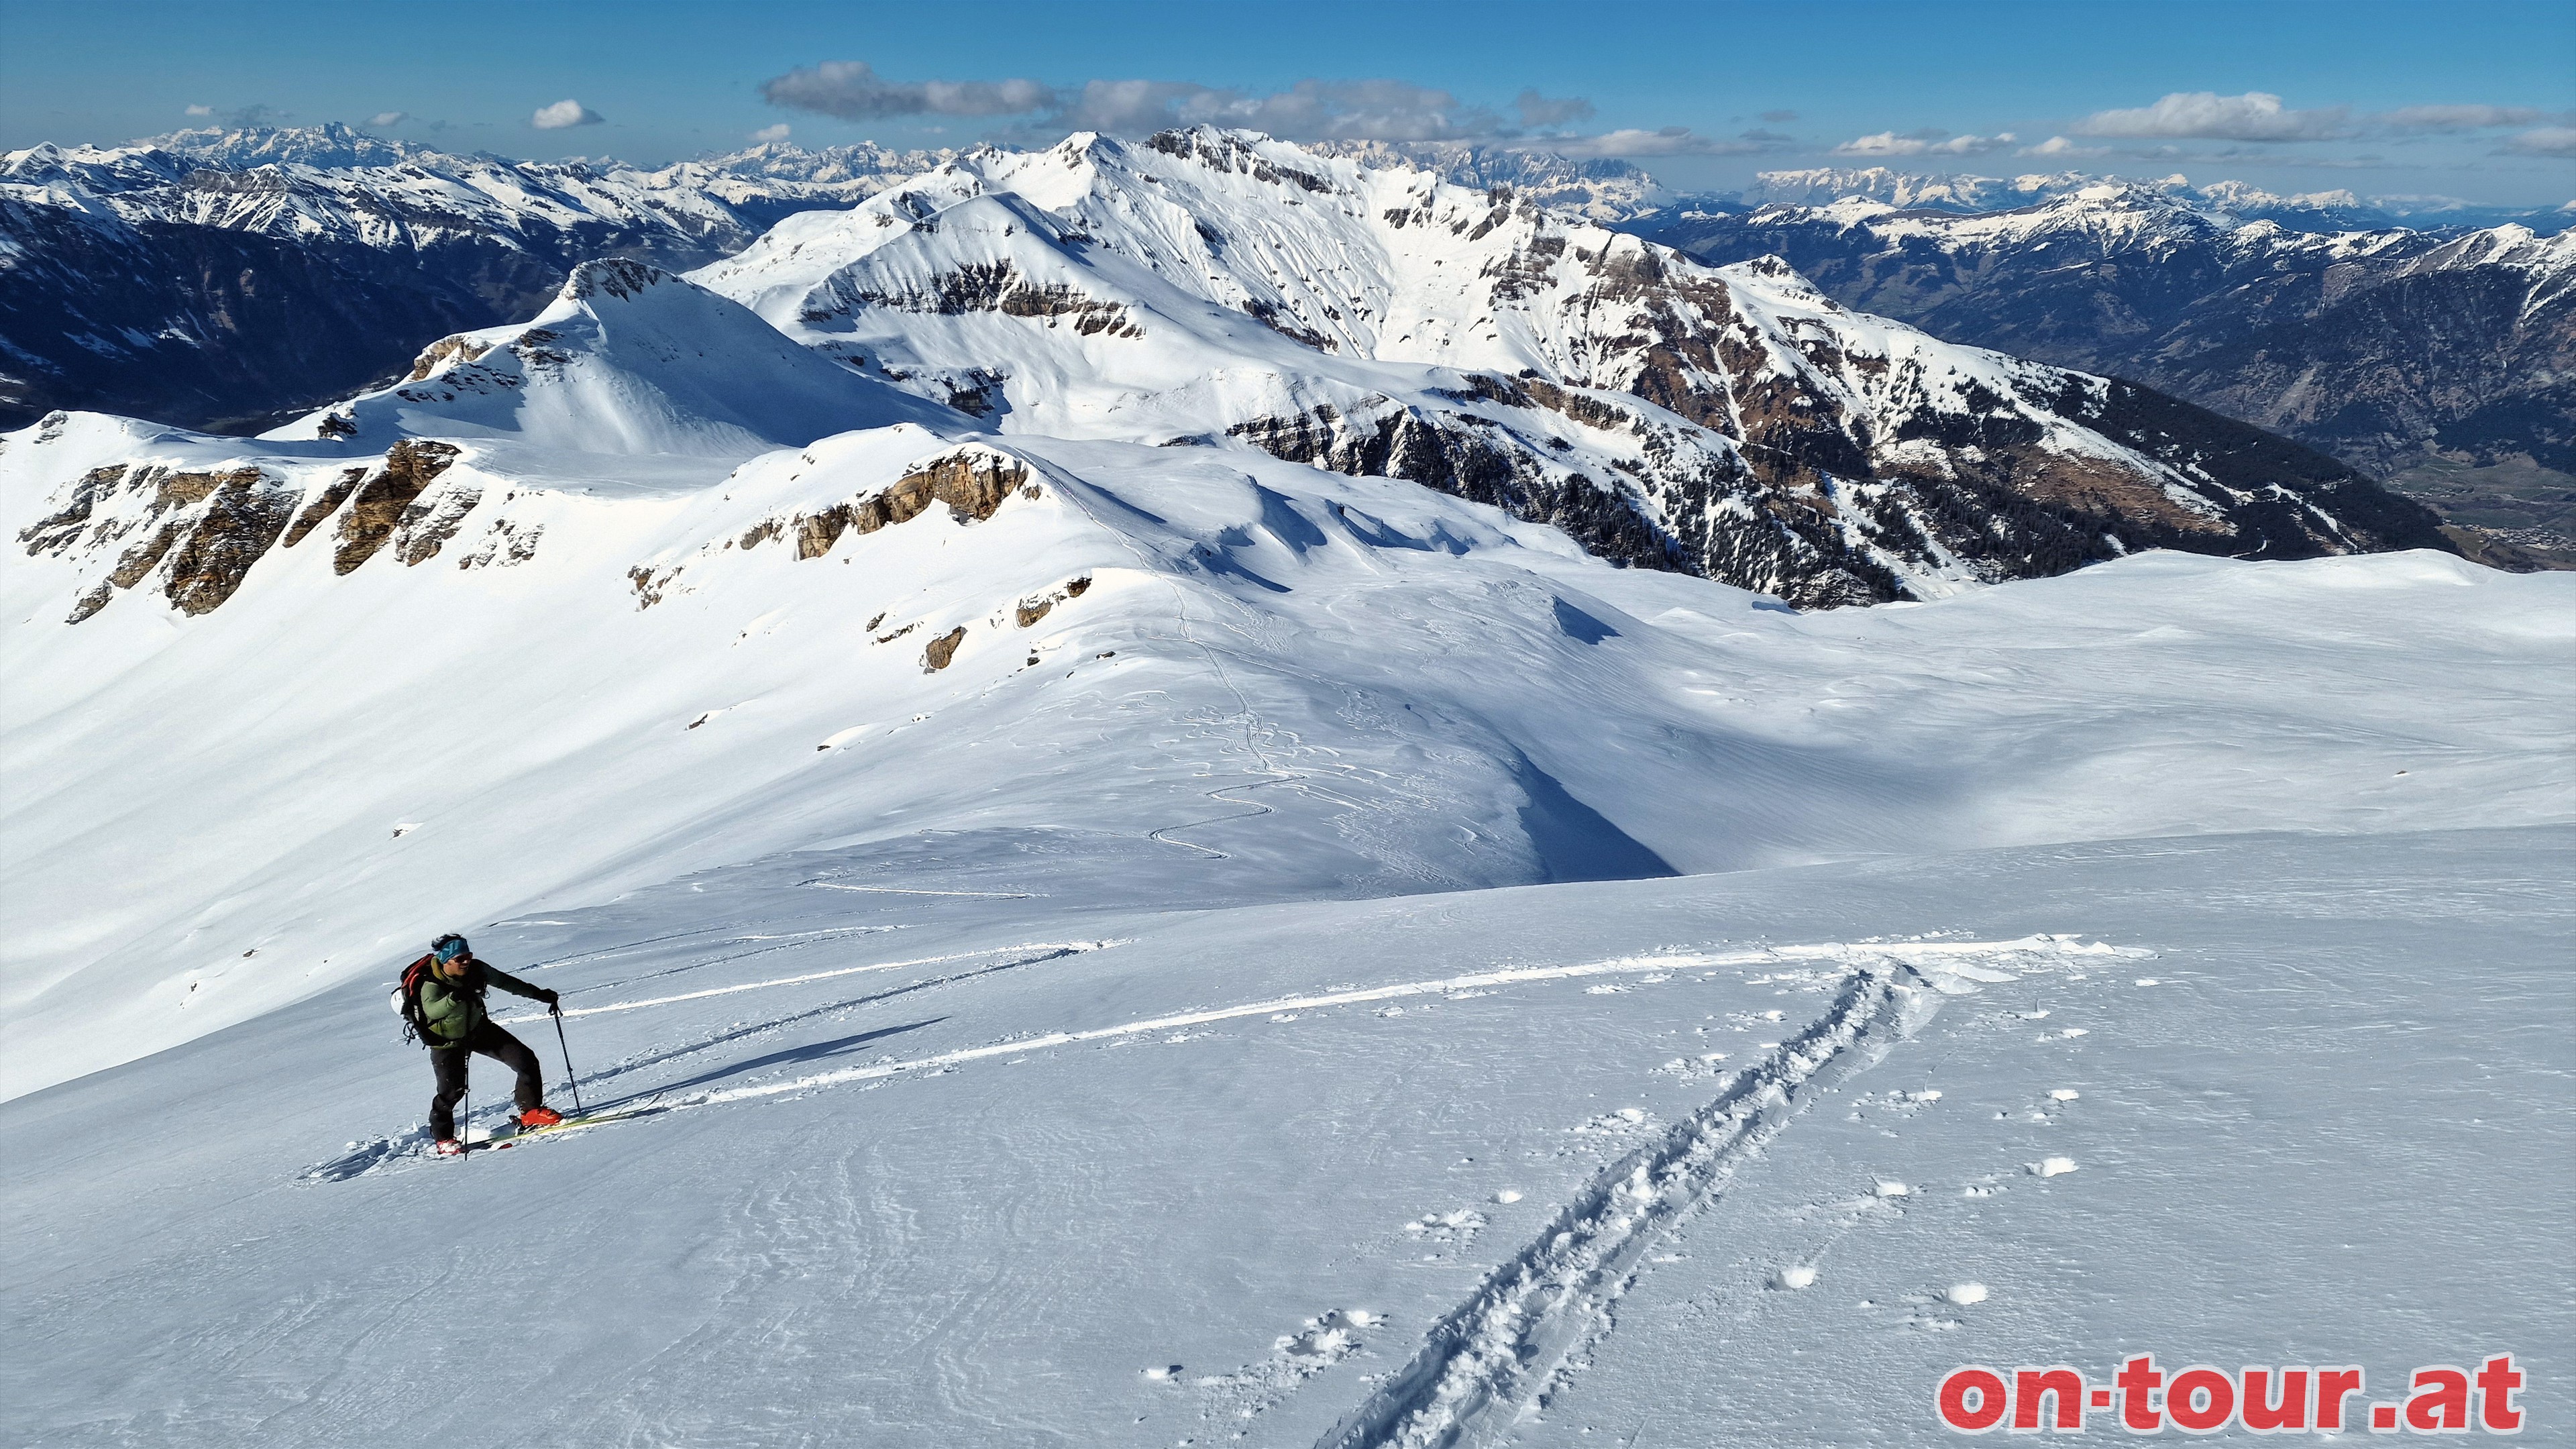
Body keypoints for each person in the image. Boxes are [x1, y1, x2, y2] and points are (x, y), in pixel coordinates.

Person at [407, 932, 566, 1153]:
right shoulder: (430, 983)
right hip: (446, 1042)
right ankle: (444, 1139)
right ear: (446, 960)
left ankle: (530, 1112)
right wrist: (453, 999)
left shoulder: (476, 970)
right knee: (452, 1092)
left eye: (468, 956)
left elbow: (506, 982)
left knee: (526, 1060)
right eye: (460, 958)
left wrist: (539, 995)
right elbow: (432, 1010)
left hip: (478, 1030)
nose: (466, 962)